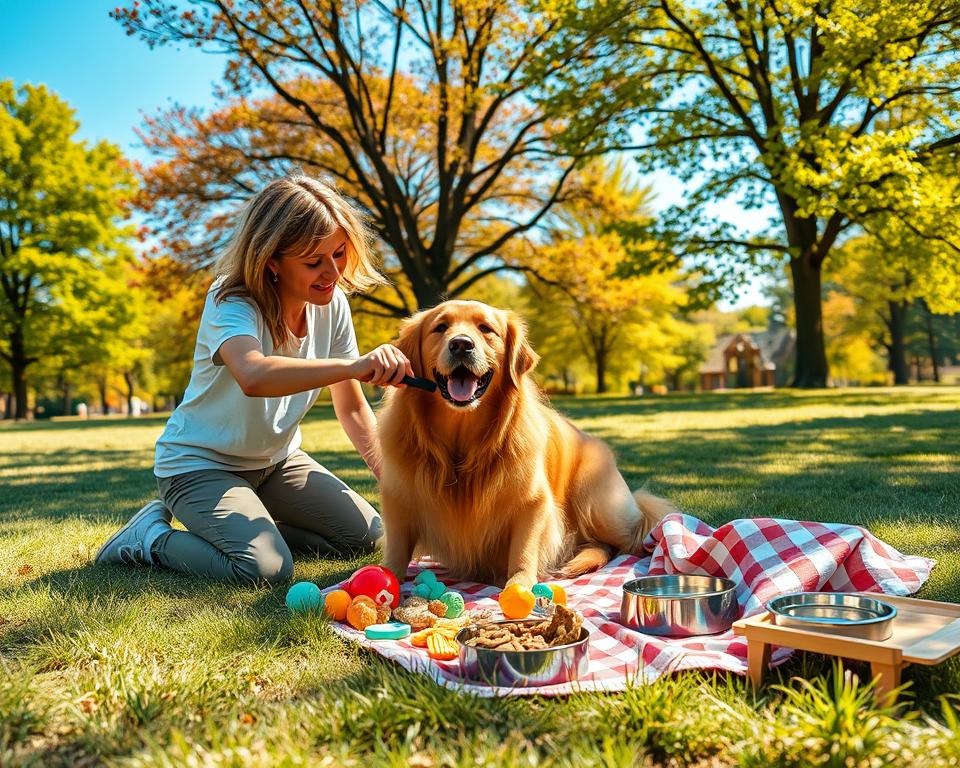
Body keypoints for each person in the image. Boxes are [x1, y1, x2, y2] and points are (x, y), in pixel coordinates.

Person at [96, 175, 413, 585]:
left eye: (339, 254)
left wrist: (390, 476)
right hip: (199, 467)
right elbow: (253, 374)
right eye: (313, 261)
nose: (332, 272)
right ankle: (150, 538)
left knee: (370, 538)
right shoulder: (231, 300)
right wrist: (354, 365)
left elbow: (351, 406)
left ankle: (250, 525)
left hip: (278, 464)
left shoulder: (332, 303)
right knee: (265, 569)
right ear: (272, 260)